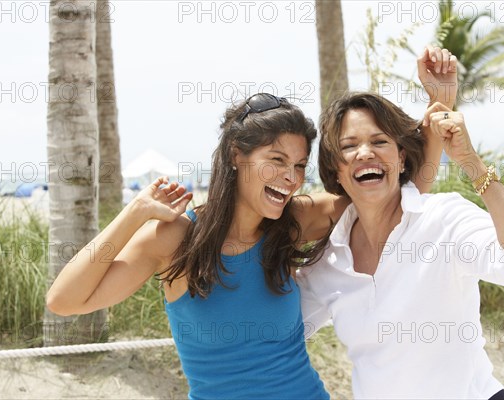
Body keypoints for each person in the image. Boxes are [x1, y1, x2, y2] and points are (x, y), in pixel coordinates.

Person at [46, 46, 456, 399]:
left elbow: (396, 197)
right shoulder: (176, 238)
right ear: (235, 157)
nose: (291, 178)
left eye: (298, 165)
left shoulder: (295, 219)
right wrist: (133, 214)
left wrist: (439, 106)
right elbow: (64, 301)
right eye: (276, 161)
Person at [297, 92, 504, 399]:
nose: (365, 153)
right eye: (349, 146)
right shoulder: (329, 262)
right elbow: (283, 329)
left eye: (379, 141)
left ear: (402, 157)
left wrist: (472, 163)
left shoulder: (443, 219)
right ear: (336, 170)